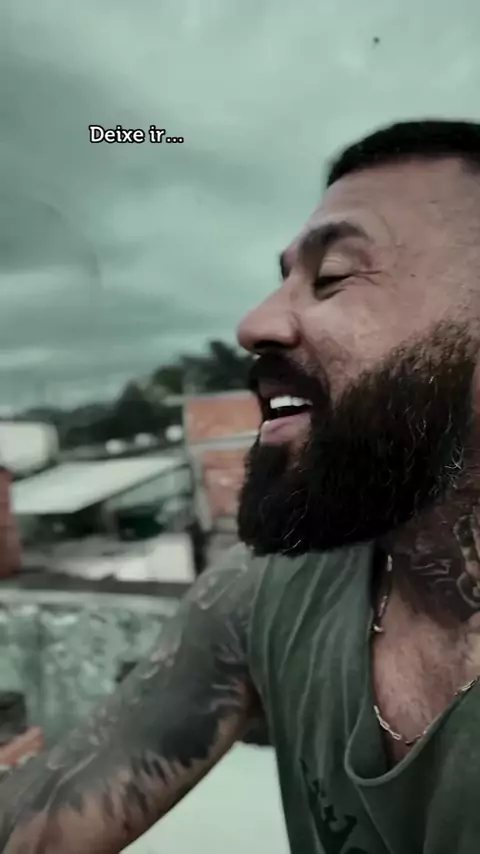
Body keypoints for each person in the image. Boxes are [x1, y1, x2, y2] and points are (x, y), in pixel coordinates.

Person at [3, 118, 480, 853]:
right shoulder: (266, 594)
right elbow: (41, 818)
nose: (253, 323)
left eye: (333, 276)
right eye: (282, 278)